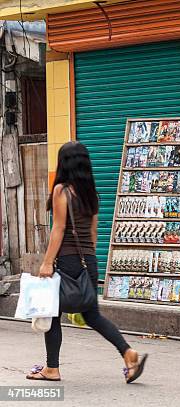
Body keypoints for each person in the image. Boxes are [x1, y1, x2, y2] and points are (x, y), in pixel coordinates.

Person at [27, 141, 148, 384]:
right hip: (88, 260)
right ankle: (128, 353)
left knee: (51, 313)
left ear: (65, 164)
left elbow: (58, 230)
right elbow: (92, 235)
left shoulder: (62, 191)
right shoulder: (92, 194)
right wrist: (90, 266)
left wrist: (47, 262)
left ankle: (52, 369)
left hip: (68, 261)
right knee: (92, 315)